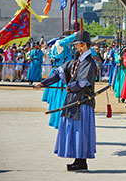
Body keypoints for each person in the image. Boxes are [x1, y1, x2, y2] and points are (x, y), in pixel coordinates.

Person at [34, 30, 97, 171]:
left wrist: (69, 86)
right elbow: (58, 73)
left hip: (83, 103)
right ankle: (78, 160)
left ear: (84, 45)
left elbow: (84, 82)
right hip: (73, 101)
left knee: (80, 131)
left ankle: (81, 161)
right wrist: (43, 83)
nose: (74, 47)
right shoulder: (76, 61)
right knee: (74, 130)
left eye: (77, 44)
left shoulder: (89, 62)